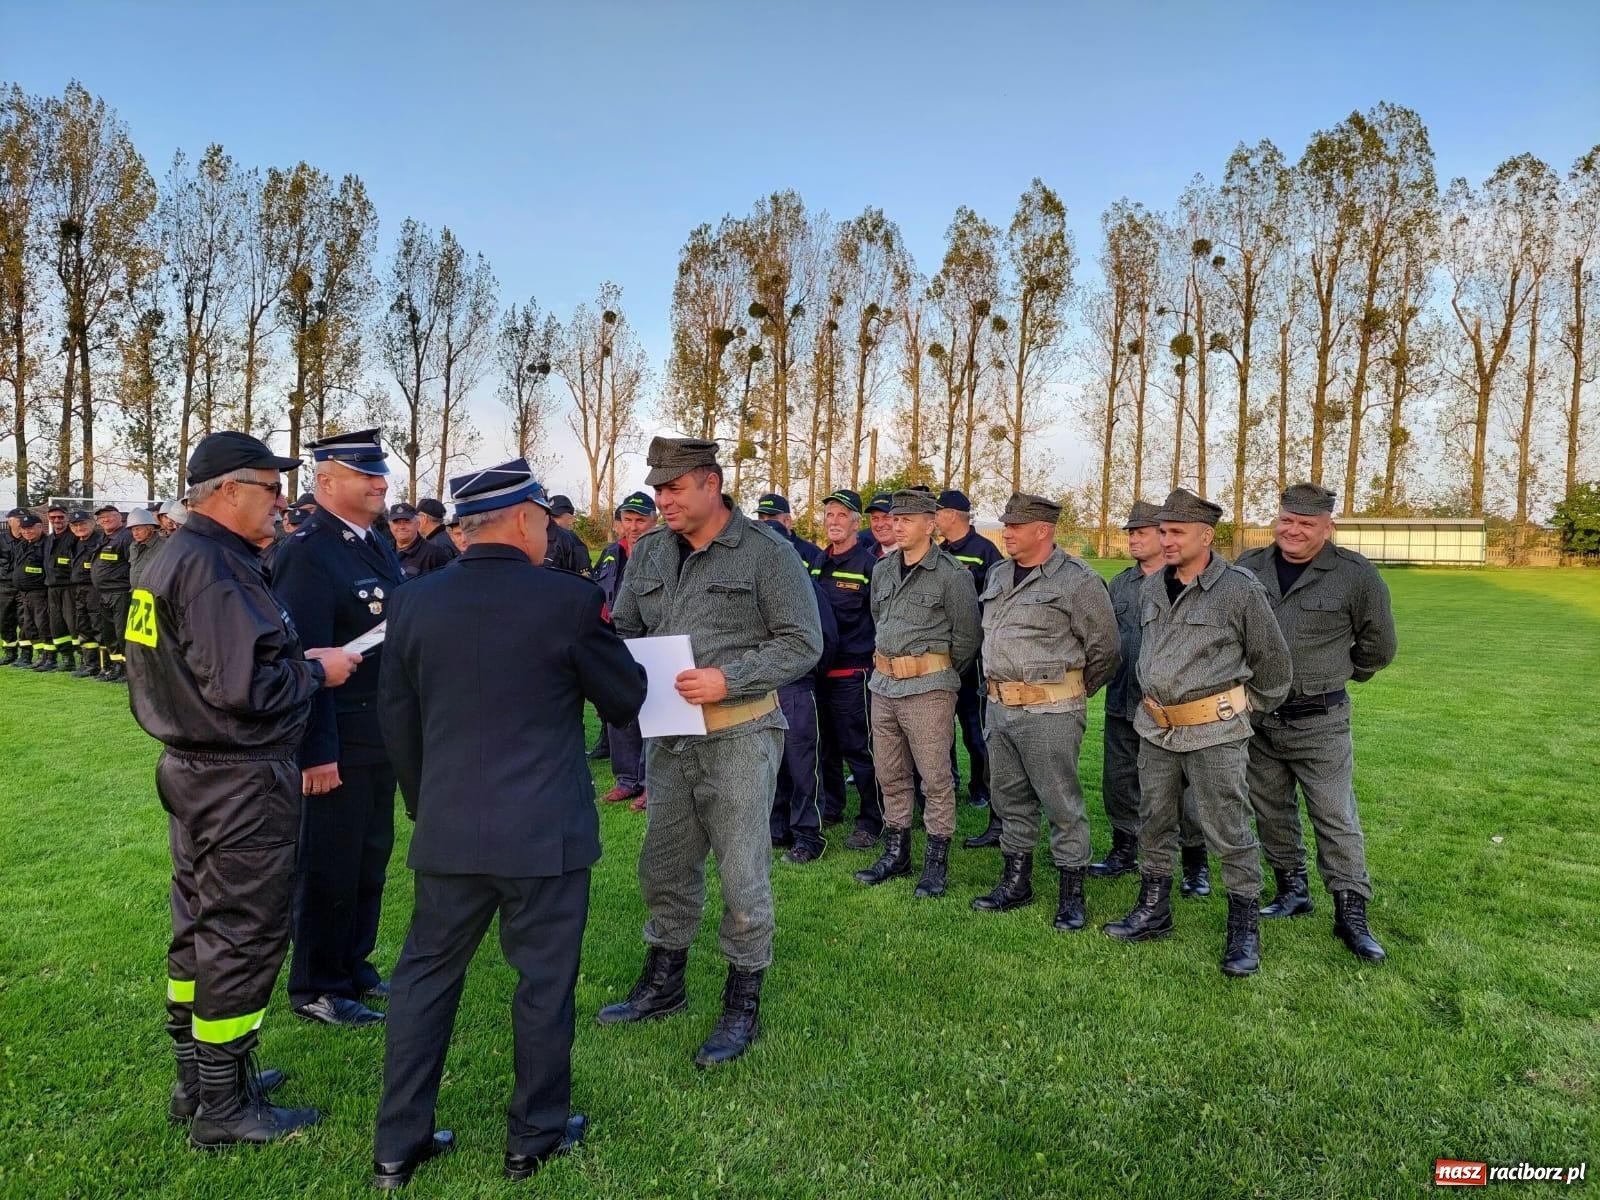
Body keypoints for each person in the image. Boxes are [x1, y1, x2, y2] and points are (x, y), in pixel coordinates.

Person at [371, 459, 645, 1189]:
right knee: (543, 987)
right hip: (543, 833)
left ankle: (398, 1145)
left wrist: (428, 808)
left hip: (450, 827)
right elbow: (624, 699)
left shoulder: (413, 602)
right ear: (526, 520)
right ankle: (533, 1138)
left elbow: (397, 723)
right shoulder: (568, 601)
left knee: (424, 981)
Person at [125, 430, 361, 1148]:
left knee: (199, 921)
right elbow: (247, 689)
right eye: (269, 486)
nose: (280, 501)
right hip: (237, 775)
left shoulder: (169, 555)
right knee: (241, 932)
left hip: (193, 767)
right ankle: (223, 1109)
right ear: (228, 490)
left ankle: (200, 1080)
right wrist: (319, 671)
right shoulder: (214, 569)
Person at [599, 438, 822, 1068]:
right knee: (663, 863)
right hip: (669, 734)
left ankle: (741, 998)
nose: (661, 500)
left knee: (742, 872)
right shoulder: (648, 552)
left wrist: (732, 676)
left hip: (740, 732)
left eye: (673, 488)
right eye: (658, 489)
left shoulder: (765, 555)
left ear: (710, 484)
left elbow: (803, 643)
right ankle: (664, 980)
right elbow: (624, 630)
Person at [1103, 488, 1292, 977]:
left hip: (1214, 735)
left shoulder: (1239, 589)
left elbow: (1273, 666)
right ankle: (1154, 909)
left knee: (1227, 828)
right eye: (1162, 531)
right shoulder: (1150, 587)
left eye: (1176, 532)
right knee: (1155, 820)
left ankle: (1243, 928)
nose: (1165, 540)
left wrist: (1239, 707)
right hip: (1156, 730)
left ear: (1206, 536)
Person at [270, 429, 405, 1029]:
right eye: (366, 475)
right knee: (329, 863)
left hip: (378, 734)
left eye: (380, 474)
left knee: (370, 857)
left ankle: (355, 967)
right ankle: (319, 985)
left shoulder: (371, 540)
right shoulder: (307, 551)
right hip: (337, 741)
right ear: (326, 482)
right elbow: (306, 658)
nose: (380, 483)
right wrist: (316, 752)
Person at [1236, 483, 1398, 962]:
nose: (1293, 530)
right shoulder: (1248, 568)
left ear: (1328, 527)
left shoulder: (1355, 575)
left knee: (1335, 816)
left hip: (1320, 721)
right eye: (1287, 519)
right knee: (1270, 809)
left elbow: (1379, 645)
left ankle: (1351, 914)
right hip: (1259, 718)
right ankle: (1292, 890)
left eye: (1306, 523)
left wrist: (1346, 673)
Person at [970, 493, 1121, 930]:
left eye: (1016, 526)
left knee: (1061, 803)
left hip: (1051, 712)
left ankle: (1071, 894)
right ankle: (1016, 882)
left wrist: (1071, 690)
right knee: (1009, 798)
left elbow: (1106, 649)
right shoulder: (998, 574)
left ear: (1044, 530)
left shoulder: (1076, 580)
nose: (1006, 533)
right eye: (1005, 524)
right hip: (999, 708)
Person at [854, 489, 981, 899]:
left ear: (930, 524)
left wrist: (938, 673)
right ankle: (897, 852)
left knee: (935, 778)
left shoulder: (951, 575)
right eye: (894, 518)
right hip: (884, 685)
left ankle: (936, 863)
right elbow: (879, 619)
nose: (896, 525)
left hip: (929, 688)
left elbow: (967, 637)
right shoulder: (883, 570)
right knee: (890, 773)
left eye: (906, 519)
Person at [1093, 501, 1212, 897]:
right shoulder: (1121, 584)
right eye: (1131, 532)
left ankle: (1195, 862)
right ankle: (1124, 848)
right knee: (1119, 780)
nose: (1134, 539)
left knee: (1184, 788)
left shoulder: (1183, 582)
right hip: (1122, 698)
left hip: (1170, 708)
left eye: (1141, 531)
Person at [754, 492, 835, 862]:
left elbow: (827, 638)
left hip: (796, 685)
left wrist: (806, 674)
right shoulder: (752, 589)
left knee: (802, 764)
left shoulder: (804, 587)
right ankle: (777, 828)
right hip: (761, 687)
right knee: (771, 764)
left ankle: (808, 836)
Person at [813, 489, 884, 850]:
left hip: (853, 675)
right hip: (818, 674)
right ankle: (832, 806)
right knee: (825, 747)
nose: (835, 521)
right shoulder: (816, 562)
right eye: (829, 515)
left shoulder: (871, 567)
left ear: (857, 523)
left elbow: (881, 620)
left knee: (860, 748)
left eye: (842, 515)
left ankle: (873, 818)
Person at [935, 489, 1000, 813]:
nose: (934, 518)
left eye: (938, 511)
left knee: (973, 726)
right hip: (941, 654)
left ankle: (981, 787)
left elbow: (996, 602)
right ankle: (949, 781)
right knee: (940, 725)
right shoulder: (939, 552)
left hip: (972, 656)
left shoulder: (984, 552)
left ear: (953, 515)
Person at [594, 491, 657, 811]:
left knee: (651, 714)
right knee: (618, 710)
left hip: (652, 640)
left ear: (654, 521)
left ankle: (648, 783)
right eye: (627, 520)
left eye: (640, 520)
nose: (633, 527)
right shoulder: (609, 553)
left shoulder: (663, 551)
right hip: (615, 641)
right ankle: (626, 780)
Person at [90, 504, 133, 682]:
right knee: (110, 633)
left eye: (109, 516)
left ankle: (127, 669)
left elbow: (133, 564)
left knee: (122, 632)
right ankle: (117, 666)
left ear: (120, 518)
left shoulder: (125, 537)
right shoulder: (103, 538)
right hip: (103, 593)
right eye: (101, 518)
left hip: (120, 593)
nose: (105, 520)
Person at [34, 504, 77, 672]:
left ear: (67, 517)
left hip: (69, 587)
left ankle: (85, 658)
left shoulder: (73, 537)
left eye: (60, 517)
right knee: (56, 624)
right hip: (52, 588)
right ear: (48, 518)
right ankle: (66, 658)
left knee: (72, 623)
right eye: (53, 517)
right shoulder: (49, 539)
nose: (57, 520)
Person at [67, 510, 104, 676]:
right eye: (75, 525)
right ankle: (90, 664)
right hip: (79, 589)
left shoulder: (99, 542)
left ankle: (107, 666)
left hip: (95, 589)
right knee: (83, 626)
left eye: (82, 523)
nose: (79, 527)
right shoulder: (74, 543)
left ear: (92, 523)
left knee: (99, 627)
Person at [9, 509, 46, 666]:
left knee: (42, 624)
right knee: (28, 626)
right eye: (24, 529)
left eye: (30, 528)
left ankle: (47, 657)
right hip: (24, 592)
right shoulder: (23, 545)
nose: (27, 532)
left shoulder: (46, 544)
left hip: (39, 592)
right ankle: (38, 656)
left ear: (40, 527)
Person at [387, 502, 451, 579]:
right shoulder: (383, 549)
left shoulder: (434, 554)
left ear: (418, 524)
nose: (402, 527)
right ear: (390, 525)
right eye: (396, 522)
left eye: (407, 521)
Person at [542, 495, 593, 577]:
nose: (552, 522)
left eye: (557, 517)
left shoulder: (538, 536)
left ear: (571, 519)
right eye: (550, 517)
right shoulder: (574, 541)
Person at [0, 509, 19, 665]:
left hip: (25, 587)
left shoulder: (31, 538)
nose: (19, 522)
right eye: (16, 518)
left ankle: (27, 654)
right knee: (5, 619)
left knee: (28, 622)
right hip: (5, 585)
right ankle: (9, 652)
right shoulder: (1, 539)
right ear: (9, 521)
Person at [128, 507, 165, 586]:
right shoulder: (133, 546)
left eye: (138, 529)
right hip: (136, 593)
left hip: (155, 595)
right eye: (133, 530)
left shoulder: (164, 546)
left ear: (150, 528)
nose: (135, 533)